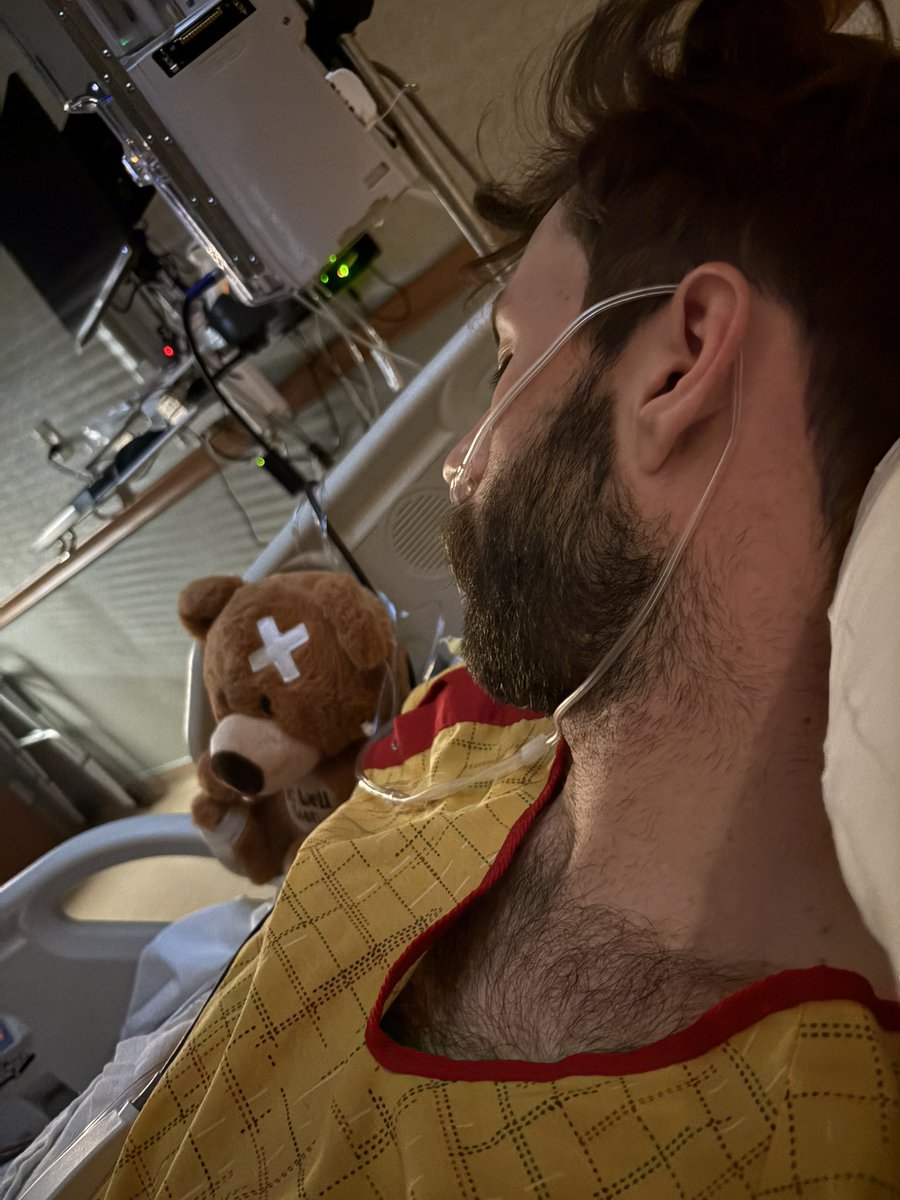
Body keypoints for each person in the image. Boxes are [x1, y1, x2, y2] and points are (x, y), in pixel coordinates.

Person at [95, 0, 900, 1194]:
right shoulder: (436, 764)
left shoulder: (816, 1146)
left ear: (678, 365)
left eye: (510, 357)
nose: (459, 461)